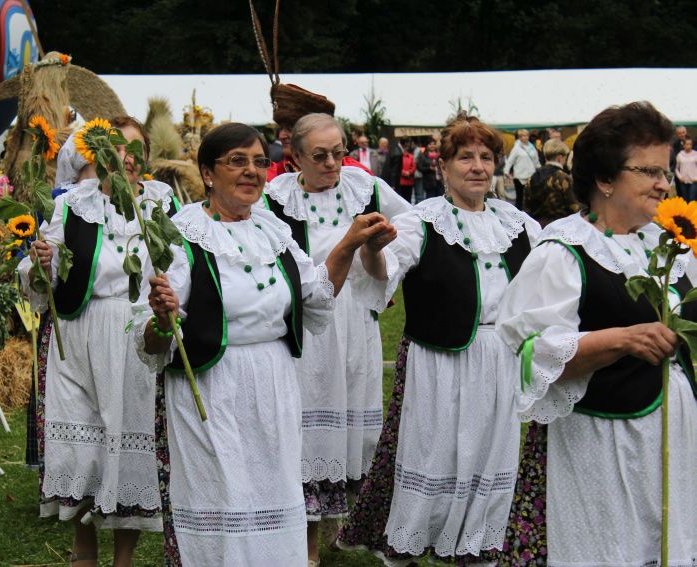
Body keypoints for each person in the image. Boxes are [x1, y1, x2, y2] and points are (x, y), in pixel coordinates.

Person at [136, 123, 396, 566]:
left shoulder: (272, 230)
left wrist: (349, 244)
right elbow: (153, 337)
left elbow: (315, 295)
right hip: (214, 387)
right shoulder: (182, 234)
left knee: (275, 495)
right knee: (225, 497)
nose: (252, 171)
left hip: (274, 384)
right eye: (237, 161)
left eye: (259, 161)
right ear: (207, 173)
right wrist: (162, 320)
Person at [496, 101, 697, 566]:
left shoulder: (667, 243)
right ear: (605, 179)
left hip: (673, 437)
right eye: (649, 171)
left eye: (665, 171)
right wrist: (620, 340)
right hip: (605, 444)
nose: (664, 184)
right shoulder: (564, 251)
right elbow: (530, 354)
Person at [338, 114, 540, 564]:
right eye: (465, 157)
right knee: (434, 452)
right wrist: (372, 250)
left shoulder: (519, 224)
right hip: (439, 360)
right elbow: (383, 274)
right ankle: (414, 540)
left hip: (499, 359)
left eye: (486, 157)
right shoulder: (422, 221)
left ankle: (478, 543)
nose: (477, 167)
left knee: (490, 453)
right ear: (443, 166)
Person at [21, 116, 173, 567]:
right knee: (80, 449)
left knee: (130, 447)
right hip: (79, 336)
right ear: (99, 156)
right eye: (115, 148)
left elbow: (177, 265)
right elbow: (42, 278)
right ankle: (83, 548)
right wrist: (41, 262)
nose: (126, 158)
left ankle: (123, 558)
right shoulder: (73, 205)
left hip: (137, 336)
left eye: (134, 149)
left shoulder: (161, 205)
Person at [263, 113, 413, 565]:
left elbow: (413, 226)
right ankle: (306, 540)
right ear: (295, 157)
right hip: (308, 324)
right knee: (307, 430)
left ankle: (339, 525)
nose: (332, 163)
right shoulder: (276, 199)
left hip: (356, 322)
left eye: (338, 153)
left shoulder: (365, 188)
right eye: (320, 155)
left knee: (351, 425)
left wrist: (385, 264)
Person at [524, 138, 580, 226]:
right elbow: (573, 207)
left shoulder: (532, 177)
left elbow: (526, 206)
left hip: (537, 227)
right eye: (565, 157)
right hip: (560, 226)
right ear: (559, 158)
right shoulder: (562, 177)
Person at [504, 129, 541, 210]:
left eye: (527, 135)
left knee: (531, 196)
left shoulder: (532, 147)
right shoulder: (516, 148)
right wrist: (506, 171)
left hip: (531, 175)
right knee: (520, 197)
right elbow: (510, 161)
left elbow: (536, 161)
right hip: (519, 176)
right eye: (523, 136)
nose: (526, 137)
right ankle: (519, 213)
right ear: (520, 137)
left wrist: (540, 171)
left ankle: (530, 212)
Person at [675, 135, 697, 201]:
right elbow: (676, 168)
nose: (689, 146)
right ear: (683, 145)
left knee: (691, 199)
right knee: (685, 199)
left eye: (690, 144)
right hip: (683, 181)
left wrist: (696, 178)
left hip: (693, 181)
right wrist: (680, 177)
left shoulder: (695, 154)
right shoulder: (679, 155)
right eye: (687, 144)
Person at [670, 125, 687, 197]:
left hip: (691, 172)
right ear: (677, 134)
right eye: (679, 133)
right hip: (678, 172)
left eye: (683, 132)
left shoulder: (692, 143)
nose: (682, 135)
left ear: (686, 132)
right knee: (680, 192)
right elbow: (673, 158)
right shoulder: (674, 145)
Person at [398, 139, 416, 203]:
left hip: (409, 181)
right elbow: (397, 167)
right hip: (401, 181)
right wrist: (403, 172)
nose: (405, 149)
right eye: (404, 147)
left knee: (409, 198)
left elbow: (414, 166)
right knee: (401, 199)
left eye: (406, 147)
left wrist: (409, 172)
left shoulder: (411, 156)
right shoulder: (399, 156)